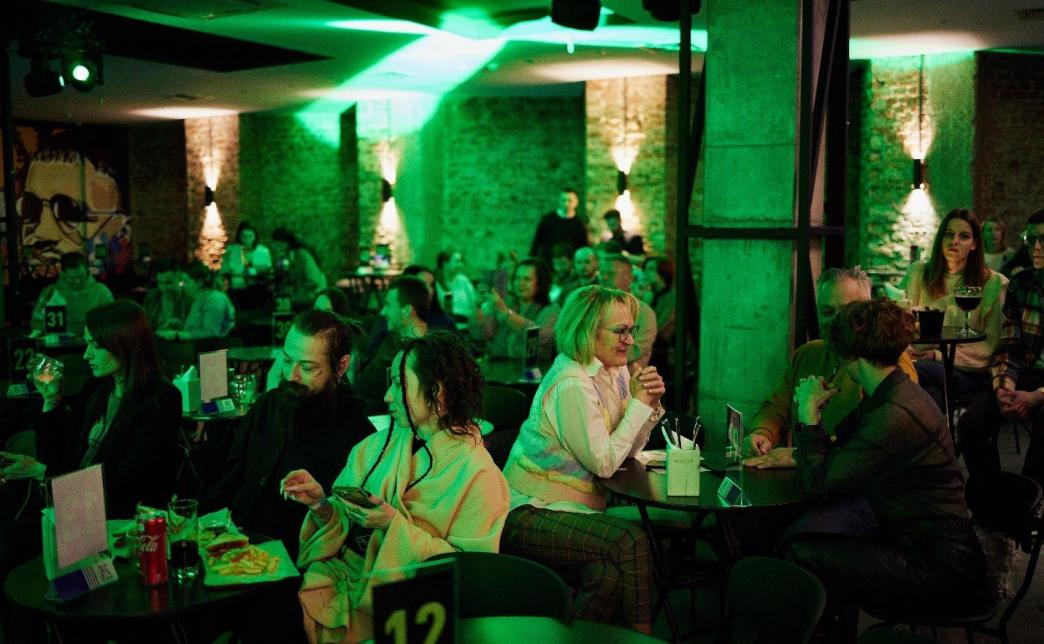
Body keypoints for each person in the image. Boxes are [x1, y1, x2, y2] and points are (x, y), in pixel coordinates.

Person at [282, 331, 510, 642]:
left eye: (400, 385)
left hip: (404, 609)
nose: (388, 396)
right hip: (336, 578)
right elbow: (345, 524)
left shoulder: (479, 476)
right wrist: (320, 503)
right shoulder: (376, 446)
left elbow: (471, 573)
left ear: (437, 393)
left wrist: (392, 526)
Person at [784, 299, 988, 630]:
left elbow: (819, 482)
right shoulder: (892, 392)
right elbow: (840, 448)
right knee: (813, 533)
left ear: (849, 356)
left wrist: (807, 416)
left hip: (940, 569)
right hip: (923, 546)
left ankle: (816, 635)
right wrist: (816, 420)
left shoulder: (894, 415)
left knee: (800, 551)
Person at [500, 285, 665, 633]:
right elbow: (604, 464)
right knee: (631, 540)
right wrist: (637, 406)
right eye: (620, 331)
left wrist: (646, 406)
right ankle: (645, 637)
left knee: (607, 576)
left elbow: (625, 452)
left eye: (632, 330)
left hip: (570, 509)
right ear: (588, 331)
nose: (630, 341)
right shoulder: (571, 382)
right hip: (527, 510)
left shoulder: (614, 370)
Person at [205, 310, 375, 558]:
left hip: (299, 560)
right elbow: (229, 480)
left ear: (340, 367)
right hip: (235, 543)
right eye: (286, 360)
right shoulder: (267, 406)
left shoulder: (358, 434)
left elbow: (359, 533)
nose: (291, 375)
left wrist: (321, 504)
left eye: (307, 367)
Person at [5, 301, 180, 519]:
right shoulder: (97, 387)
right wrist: (51, 401)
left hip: (117, 515)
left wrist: (41, 472)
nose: (86, 355)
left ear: (124, 345)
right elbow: (60, 459)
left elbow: (129, 483)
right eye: (87, 344)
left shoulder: (160, 399)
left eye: (96, 346)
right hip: (72, 502)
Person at [743, 267, 918, 468]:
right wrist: (762, 434)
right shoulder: (808, 354)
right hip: (809, 475)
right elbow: (776, 409)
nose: (836, 320)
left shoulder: (889, 363)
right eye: (827, 312)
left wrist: (802, 454)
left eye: (846, 311)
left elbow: (882, 441)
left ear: (868, 313)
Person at [960, 208, 1044, 486]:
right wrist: (1004, 386)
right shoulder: (1022, 283)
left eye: (1043, 240)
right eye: (1030, 240)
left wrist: (1036, 397)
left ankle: (1030, 500)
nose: (1036, 248)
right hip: (1025, 374)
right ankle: (993, 498)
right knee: (971, 423)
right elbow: (1009, 345)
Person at [901, 209, 1007, 412]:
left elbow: (989, 347)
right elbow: (901, 319)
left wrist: (936, 355)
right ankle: (939, 431)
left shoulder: (993, 283)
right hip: (920, 363)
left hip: (968, 370)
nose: (954, 241)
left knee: (906, 373)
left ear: (974, 244)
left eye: (963, 236)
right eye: (949, 234)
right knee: (931, 393)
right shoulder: (919, 273)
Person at [355, 276, 431, 405]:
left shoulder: (421, 353)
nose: (383, 312)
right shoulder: (394, 338)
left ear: (406, 310)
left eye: (388, 305)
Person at [472, 258, 560, 364]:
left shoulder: (551, 309)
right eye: (517, 278)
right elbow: (481, 335)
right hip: (499, 366)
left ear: (540, 284)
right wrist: (478, 307)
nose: (520, 283)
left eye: (526, 279)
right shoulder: (507, 303)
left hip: (532, 369)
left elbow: (541, 337)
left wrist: (506, 313)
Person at [29, 252, 113, 336]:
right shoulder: (51, 293)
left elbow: (112, 322)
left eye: (81, 276)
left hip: (92, 341)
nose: (77, 281)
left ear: (86, 271)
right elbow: (36, 322)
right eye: (72, 278)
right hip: (59, 342)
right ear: (63, 273)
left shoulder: (101, 291)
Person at [156, 261, 235, 340]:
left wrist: (176, 335)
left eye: (185, 282)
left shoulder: (214, 300)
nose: (182, 286)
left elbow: (211, 333)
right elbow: (198, 329)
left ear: (199, 282)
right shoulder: (200, 299)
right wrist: (181, 326)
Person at [604, 254, 657, 367]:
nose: (604, 278)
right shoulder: (595, 307)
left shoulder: (643, 313)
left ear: (628, 277)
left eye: (610, 274)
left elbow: (634, 351)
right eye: (602, 273)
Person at [529, 188, 588, 266]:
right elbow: (537, 241)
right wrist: (531, 261)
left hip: (569, 265)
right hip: (547, 264)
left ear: (576, 203)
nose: (566, 204)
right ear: (559, 201)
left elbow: (583, 247)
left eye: (570, 201)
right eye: (563, 200)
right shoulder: (548, 220)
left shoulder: (579, 224)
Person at [271, 227, 327, 308]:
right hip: (301, 295)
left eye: (278, 244)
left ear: (287, 243)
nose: (275, 247)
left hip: (314, 296)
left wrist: (295, 293)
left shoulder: (302, 255)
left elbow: (313, 281)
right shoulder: (286, 257)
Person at [142, 259, 192, 332]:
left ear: (179, 277)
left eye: (168, 283)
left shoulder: (189, 298)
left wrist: (182, 326)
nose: (164, 288)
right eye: (160, 283)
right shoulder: (152, 296)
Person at [221, 222, 272, 289]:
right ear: (239, 236)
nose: (247, 240)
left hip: (257, 288)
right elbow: (224, 271)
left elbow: (267, 270)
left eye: (250, 237)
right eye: (244, 237)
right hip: (235, 288)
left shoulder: (263, 251)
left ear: (255, 236)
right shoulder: (231, 250)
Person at [434, 250, 478, 320]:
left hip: (465, 323)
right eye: (457, 261)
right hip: (443, 324)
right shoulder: (435, 282)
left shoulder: (464, 281)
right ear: (445, 264)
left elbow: (474, 303)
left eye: (461, 262)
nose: (461, 265)